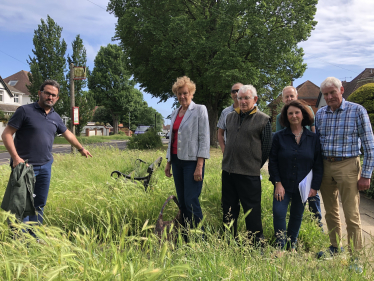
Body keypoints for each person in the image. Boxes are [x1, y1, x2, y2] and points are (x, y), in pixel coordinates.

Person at [1, 80, 92, 232]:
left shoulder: (56, 117)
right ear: (40, 93)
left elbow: (67, 133)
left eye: (54, 95)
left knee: (39, 203)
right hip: (25, 167)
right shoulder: (24, 111)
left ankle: (35, 236)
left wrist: (81, 148)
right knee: (20, 204)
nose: (50, 97)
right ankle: (20, 241)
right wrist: (16, 158)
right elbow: (7, 134)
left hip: (45, 166)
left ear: (57, 98)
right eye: (48, 93)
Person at [315, 77, 374, 257]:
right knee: (330, 211)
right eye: (326, 94)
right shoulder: (320, 114)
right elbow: (317, 143)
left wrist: (366, 174)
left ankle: (355, 255)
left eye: (333, 92)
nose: (330, 97)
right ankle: (335, 247)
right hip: (326, 165)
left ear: (341, 90)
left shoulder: (357, 110)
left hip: (348, 164)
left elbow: (369, 144)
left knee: (351, 213)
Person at [269, 100, 323, 252]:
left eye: (297, 112)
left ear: (303, 114)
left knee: (297, 215)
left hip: (303, 186)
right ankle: (280, 246)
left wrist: (314, 187)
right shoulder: (279, 137)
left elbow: (318, 164)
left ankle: (291, 245)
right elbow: (272, 161)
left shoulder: (313, 138)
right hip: (283, 185)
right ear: (286, 116)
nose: (294, 116)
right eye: (290, 113)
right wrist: (277, 183)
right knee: (279, 212)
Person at [221, 85, 272, 244]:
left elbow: (266, 148)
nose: (242, 101)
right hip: (228, 172)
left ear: (255, 99)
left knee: (252, 211)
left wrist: (253, 164)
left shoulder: (263, 120)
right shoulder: (230, 117)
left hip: (249, 174)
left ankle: (256, 243)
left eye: (246, 98)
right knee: (229, 209)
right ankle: (228, 239)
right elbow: (229, 140)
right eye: (239, 98)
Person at [164, 76, 210, 229]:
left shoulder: (199, 110)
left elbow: (204, 138)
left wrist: (199, 165)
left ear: (191, 93)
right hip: (177, 161)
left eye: (185, 93)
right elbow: (172, 139)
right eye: (179, 93)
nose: (182, 96)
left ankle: (201, 236)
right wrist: (168, 162)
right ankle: (185, 233)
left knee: (191, 200)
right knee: (182, 201)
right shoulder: (175, 112)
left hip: (192, 162)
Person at [275, 86, 322, 227]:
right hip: (289, 160)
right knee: (289, 203)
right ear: (283, 99)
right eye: (286, 97)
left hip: (306, 160)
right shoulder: (280, 117)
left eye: (291, 96)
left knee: (313, 197)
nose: (289, 99)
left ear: (296, 96)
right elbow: (279, 140)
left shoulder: (307, 112)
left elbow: (314, 132)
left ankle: (317, 223)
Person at [217, 82, 242, 153]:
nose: (236, 93)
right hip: (230, 153)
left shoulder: (253, 112)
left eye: (238, 91)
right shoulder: (225, 112)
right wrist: (223, 149)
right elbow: (220, 132)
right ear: (231, 94)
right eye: (233, 91)